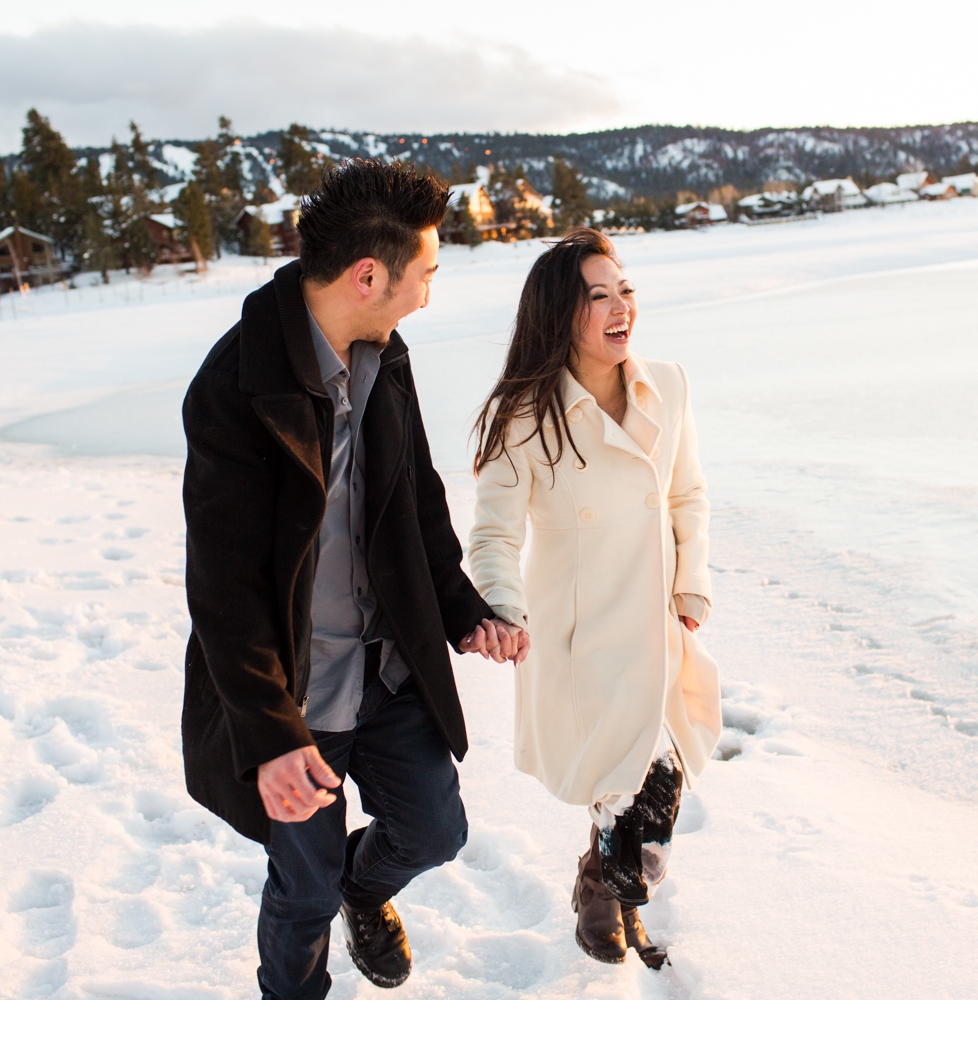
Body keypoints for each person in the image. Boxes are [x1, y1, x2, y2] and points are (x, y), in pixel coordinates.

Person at [181, 159, 527, 998]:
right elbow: (222, 589)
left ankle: (362, 889)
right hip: (297, 696)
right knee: (299, 889)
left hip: (388, 668)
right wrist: (267, 736)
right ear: (368, 276)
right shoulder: (235, 388)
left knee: (435, 830)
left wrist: (459, 607)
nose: (427, 296)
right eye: (426, 275)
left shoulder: (382, 349)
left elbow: (415, 495)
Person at [467, 228, 721, 969]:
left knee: (656, 790)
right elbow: (492, 536)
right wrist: (502, 609)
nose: (621, 308)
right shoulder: (525, 414)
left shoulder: (666, 384)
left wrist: (691, 582)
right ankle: (611, 895)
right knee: (632, 787)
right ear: (559, 314)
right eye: (598, 296)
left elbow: (688, 493)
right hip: (582, 639)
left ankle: (601, 883)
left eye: (625, 290)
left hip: (658, 624)